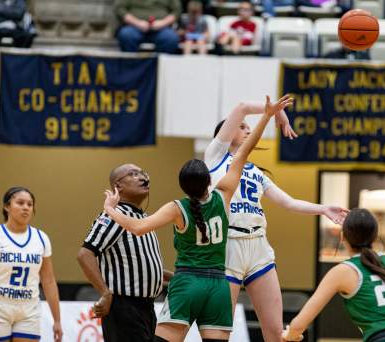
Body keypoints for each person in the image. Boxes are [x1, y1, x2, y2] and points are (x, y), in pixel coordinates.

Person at [101, 95, 294, 342]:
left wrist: (111, 209)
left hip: (187, 283)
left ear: (182, 185)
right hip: (218, 288)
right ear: (210, 181)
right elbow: (243, 153)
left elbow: (137, 227)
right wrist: (266, 116)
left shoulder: (177, 208)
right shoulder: (223, 196)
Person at [204, 101, 348, 342]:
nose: (248, 130)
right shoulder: (215, 157)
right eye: (242, 127)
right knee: (220, 332)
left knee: (275, 332)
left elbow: (289, 202)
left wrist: (323, 209)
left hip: (259, 246)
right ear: (225, 134)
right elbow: (242, 107)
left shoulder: (256, 172)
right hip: (229, 244)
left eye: (249, 127)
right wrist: (275, 111)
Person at [282, 209, 385, 341]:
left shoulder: (343, 271)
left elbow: (298, 325)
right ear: (375, 237)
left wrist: (289, 336)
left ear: (343, 236)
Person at [77, 163, 167, 342]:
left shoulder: (143, 218)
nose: (142, 177)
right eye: (133, 174)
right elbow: (85, 254)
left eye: (143, 173)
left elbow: (138, 263)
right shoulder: (115, 215)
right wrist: (105, 293)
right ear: (118, 186)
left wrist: (174, 276)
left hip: (147, 307)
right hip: (124, 306)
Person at [0, 187, 62, 342]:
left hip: (28, 309)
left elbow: (49, 281)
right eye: (20, 203)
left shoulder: (41, 238)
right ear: (7, 207)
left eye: (30, 204)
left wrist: (57, 320)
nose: (26, 207)